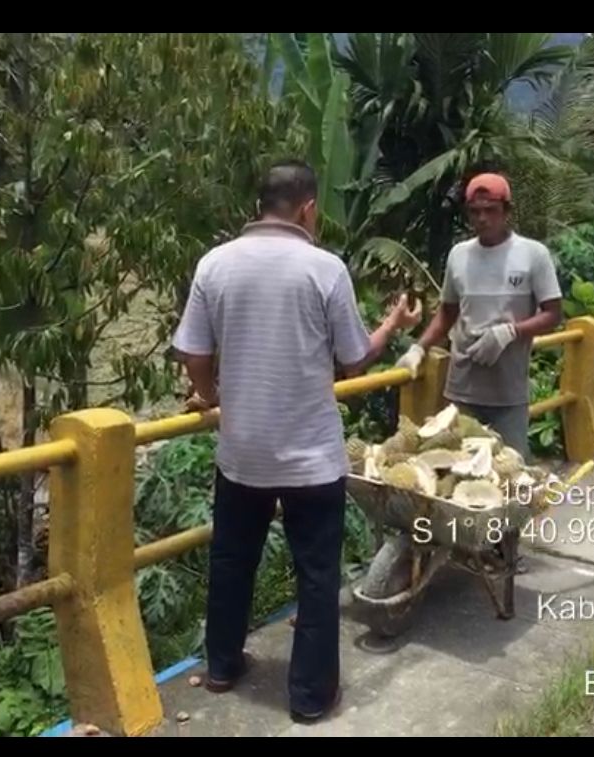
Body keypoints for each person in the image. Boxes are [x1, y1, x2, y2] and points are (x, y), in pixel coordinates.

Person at [170, 159, 422, 724]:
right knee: (316, 574)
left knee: (233, 561)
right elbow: (356, 358)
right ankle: (309, 698)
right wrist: (392, 324)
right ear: (307, 208)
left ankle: (222, 666)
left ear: (260, 205)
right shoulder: (324, 268)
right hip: (311, 457)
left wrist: (210, 397)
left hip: (242, 452)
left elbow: (194, 353)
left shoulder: (215, 264)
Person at [396, 172, 562, 461]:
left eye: (491, 211)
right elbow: (447, 313)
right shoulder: (459, 256)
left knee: (510, 469)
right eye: (475, 212)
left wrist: (510, 332)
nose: (482, 219)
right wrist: (418, 348)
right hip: (463, 388)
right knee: (457, 467)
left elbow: (552, 314)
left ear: (506, 211)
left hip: (508, 392)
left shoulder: (533, 255)